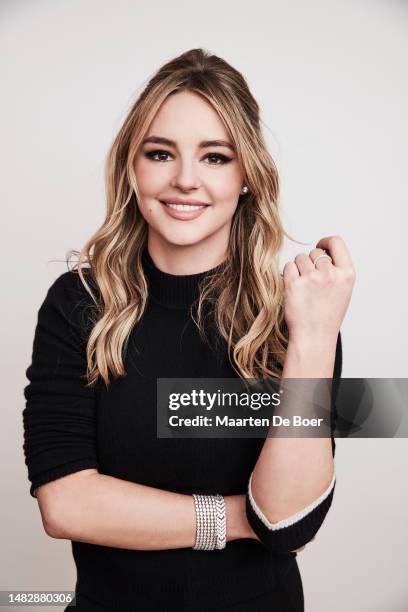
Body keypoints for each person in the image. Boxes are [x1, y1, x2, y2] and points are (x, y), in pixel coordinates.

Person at [22, 48, 355, 611]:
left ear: (247, 175)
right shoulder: (78, 304)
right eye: (161, 153)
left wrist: (316, 339)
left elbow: (291, 520)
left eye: (215, 157)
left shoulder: (298, 318)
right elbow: (66, 504)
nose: (184, 180)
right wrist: (239, 516)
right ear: (133, 166)